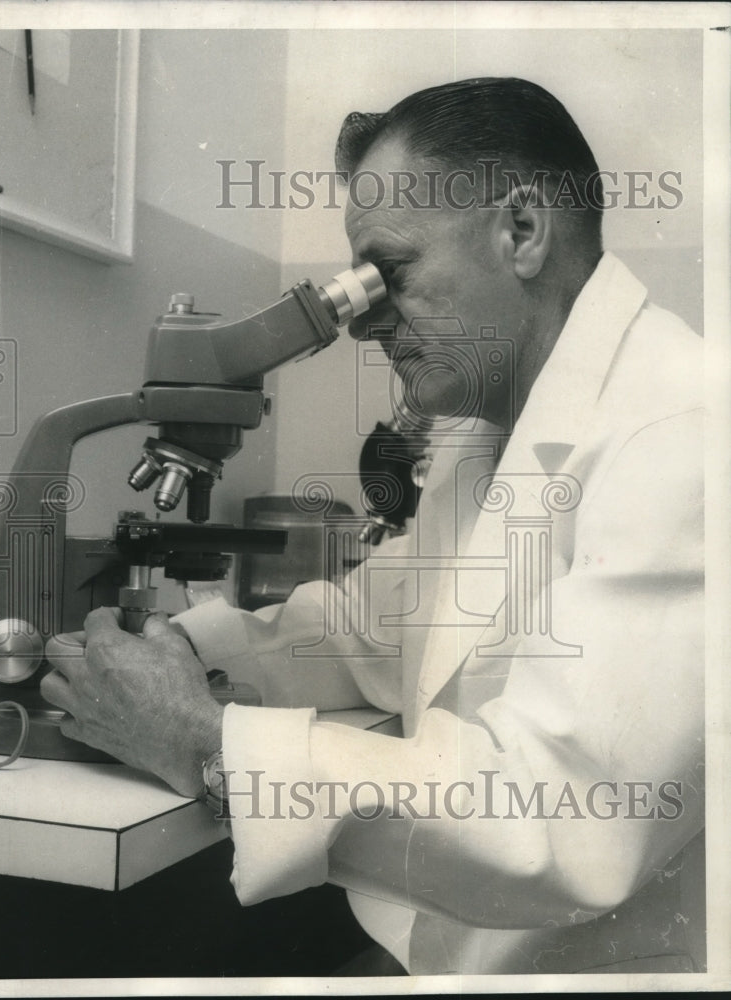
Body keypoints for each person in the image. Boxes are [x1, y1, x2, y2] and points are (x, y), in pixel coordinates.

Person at [42, 78, 705, 975]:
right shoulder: (489, 427)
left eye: (389, 273)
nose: (365, 324)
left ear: (522, 231)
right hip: (434, 932)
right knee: (67, 929)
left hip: (575, 966)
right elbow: (373, 628)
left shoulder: (686, 429)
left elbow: (563, 818)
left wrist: (204, 739)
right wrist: (172, 655)